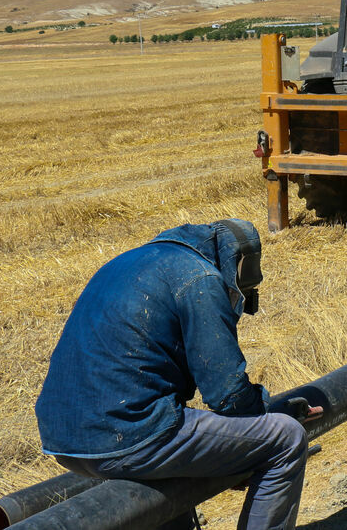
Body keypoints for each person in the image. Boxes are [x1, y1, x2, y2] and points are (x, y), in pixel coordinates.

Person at [35, 220, 316, 530]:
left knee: (171, 470)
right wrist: (248, 450)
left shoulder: (128, 262)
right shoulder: (200, 277)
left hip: (62, 436)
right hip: (130, 431)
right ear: (238, 267)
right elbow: (228, 395)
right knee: (285, 439)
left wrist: (227, 452)